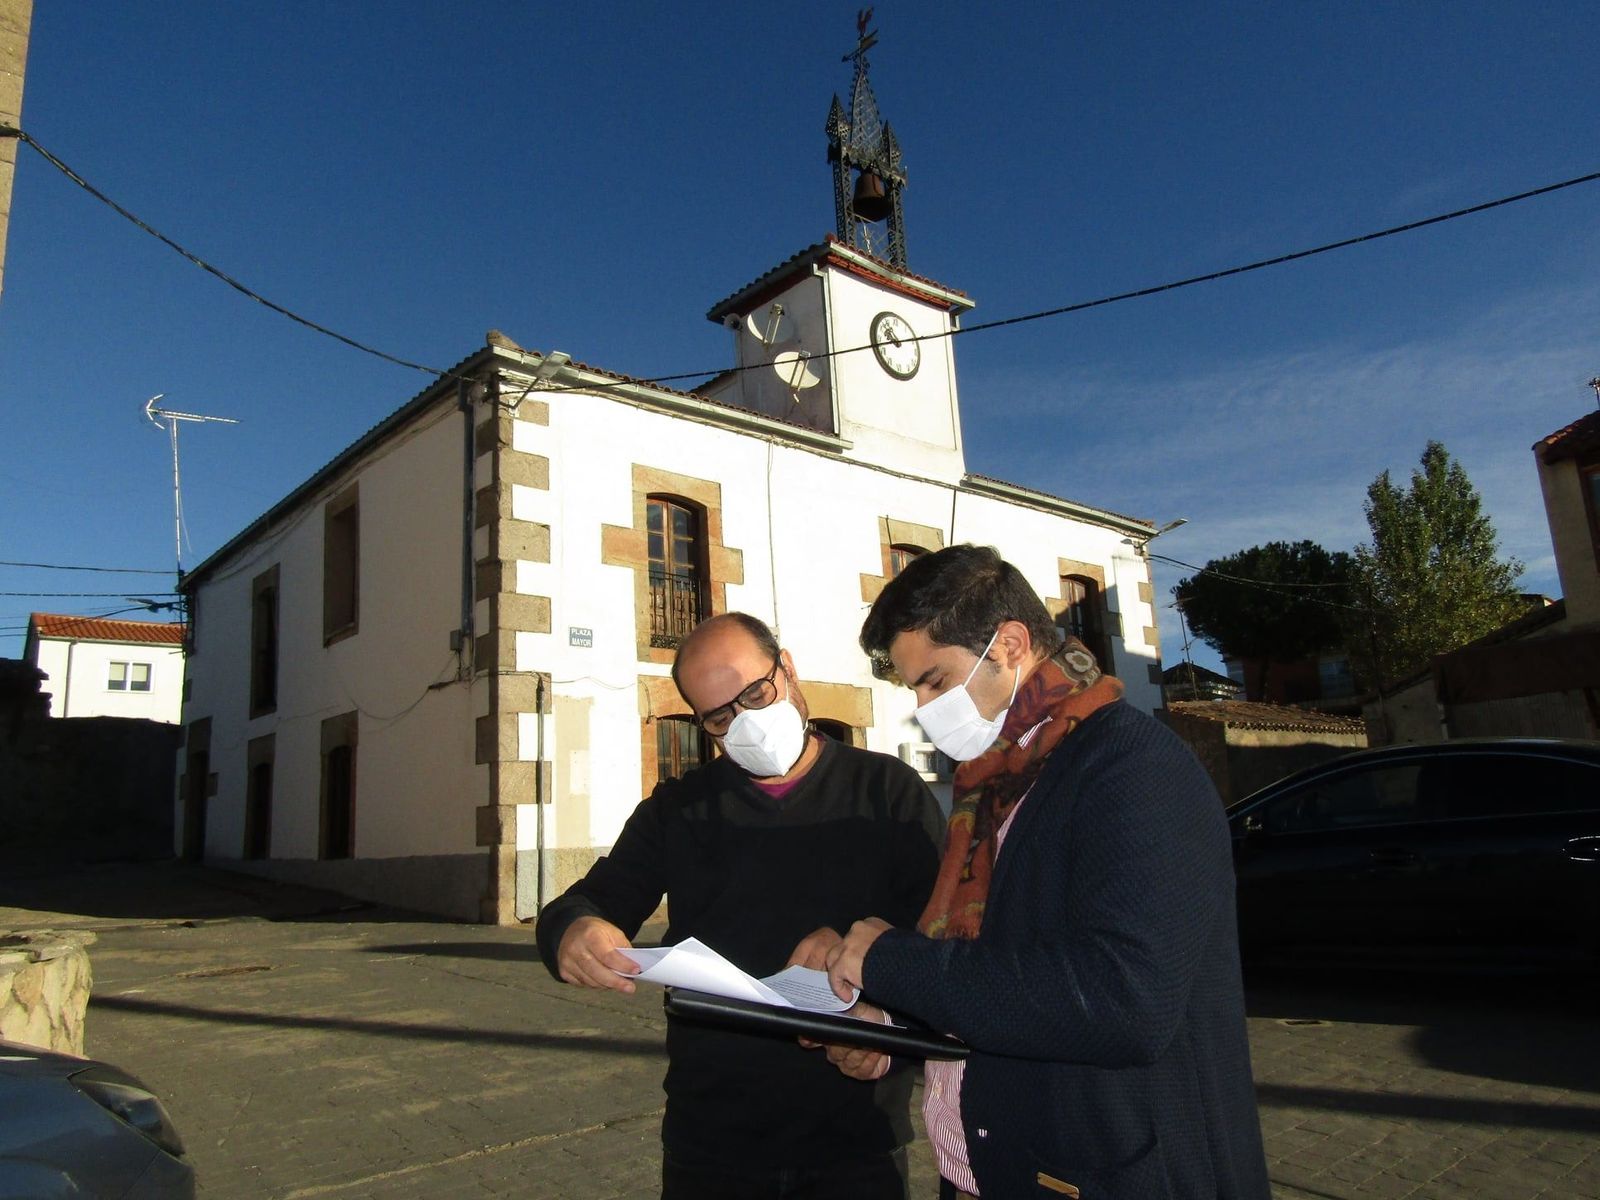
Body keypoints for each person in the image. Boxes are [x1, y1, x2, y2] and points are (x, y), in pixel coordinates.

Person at [822, 545, 1271, 1200]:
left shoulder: (1132, 768)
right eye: (914, 687)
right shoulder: (991, 785)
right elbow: (993, 969)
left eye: (935, 681)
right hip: (987, 1166)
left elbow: (1123, 1001)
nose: (921, 706)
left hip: (1107, 1173)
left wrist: (894, 965)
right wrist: (888, 1026)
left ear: (1008, 644)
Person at [535, 611, 944, 1200]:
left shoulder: (888, 791)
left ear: (789, 670)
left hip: (854, 1139)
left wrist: (879, 1009)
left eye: (755, 692)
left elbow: (941, 937)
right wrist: (571, 931)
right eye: (720, 716)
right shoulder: (678, 809)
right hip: (713, 1144)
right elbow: (591, 901)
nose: (745, 721)